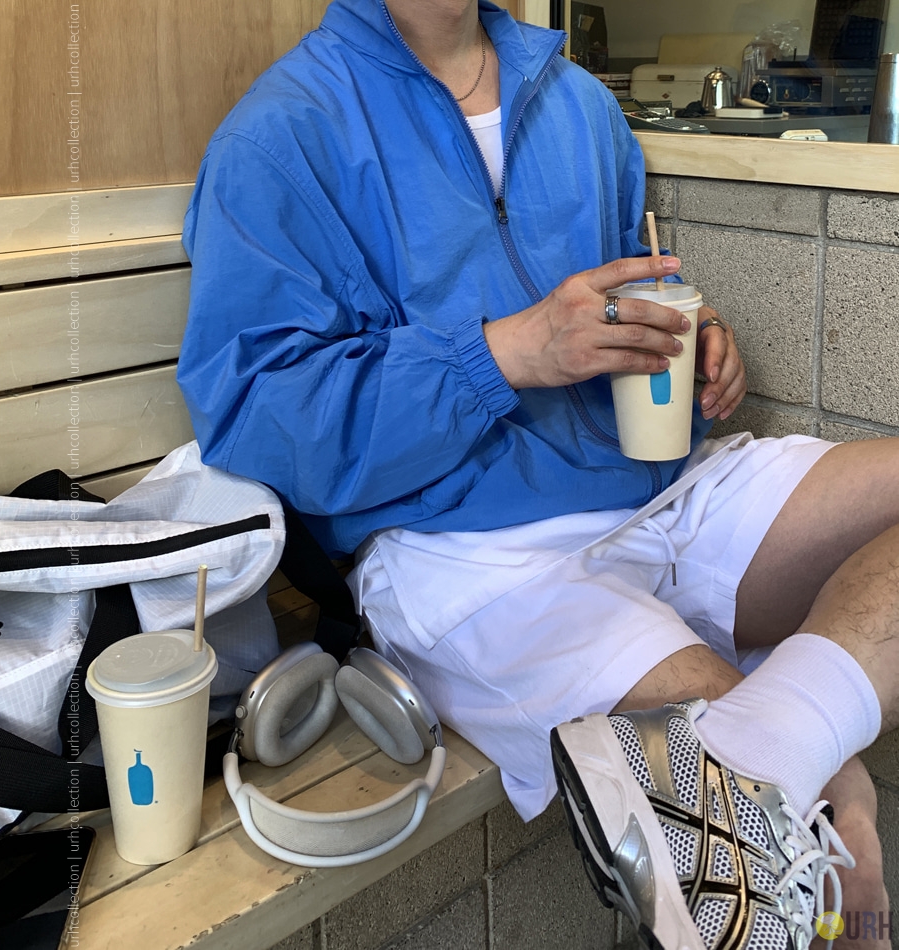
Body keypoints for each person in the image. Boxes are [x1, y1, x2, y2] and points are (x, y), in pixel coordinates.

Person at [176, 1, 897, 947]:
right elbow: (258, 425)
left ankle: (780, 744)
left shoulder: (577, 103)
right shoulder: (279, 137)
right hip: (465, 553)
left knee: (784, 777)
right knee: (795, 821)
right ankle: (793, 764)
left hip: (658, 492)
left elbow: (618, 303)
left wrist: (687, 349)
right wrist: (505, 354)